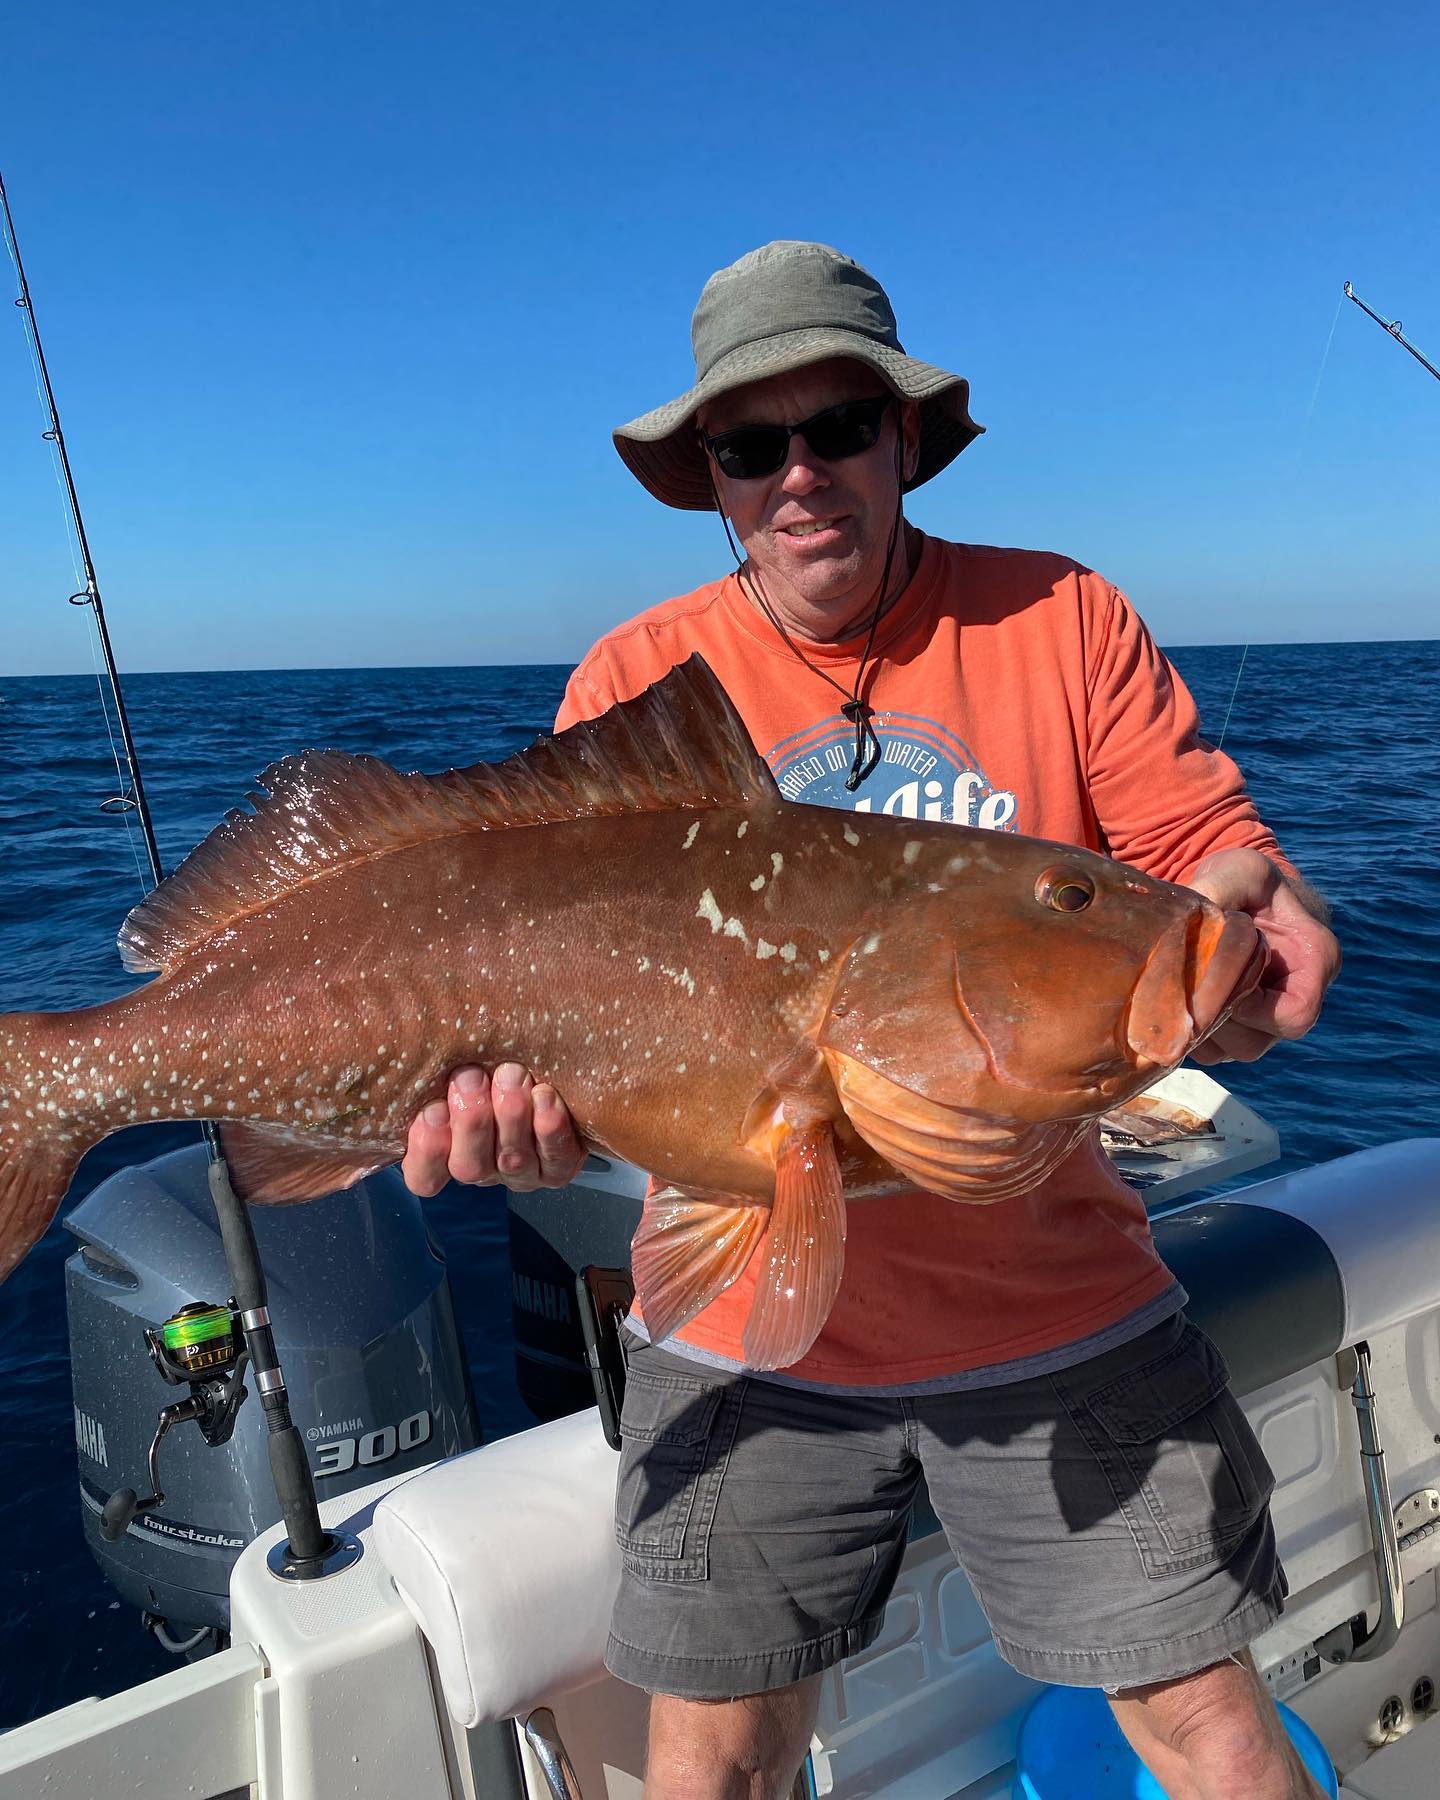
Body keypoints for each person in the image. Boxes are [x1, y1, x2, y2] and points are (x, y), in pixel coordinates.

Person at [403, 242, 1341, 1800]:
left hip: (1059, 1306)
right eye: (748, 445)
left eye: (836, 425)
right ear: (709, 476)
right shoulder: (639, 674)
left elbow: (1212, 864)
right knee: (711, 1755)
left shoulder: (1062, 618)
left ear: (906, 436)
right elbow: (549, 1005)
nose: (799, 475)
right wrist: (512, 1123)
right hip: (735, 1328)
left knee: (1209, 1722)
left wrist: (1260, 924)